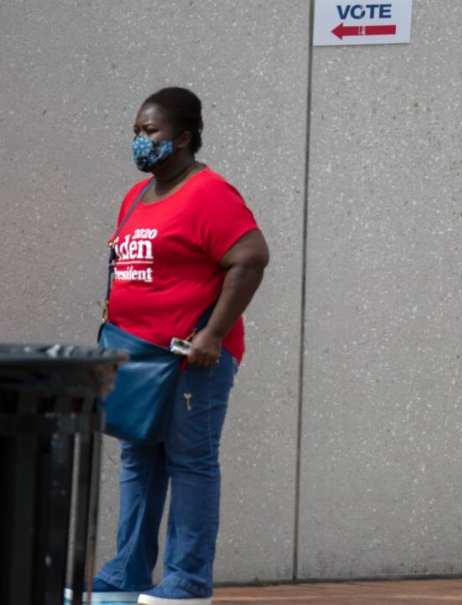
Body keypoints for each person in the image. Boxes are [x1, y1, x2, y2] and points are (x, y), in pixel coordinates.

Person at [88, 87, 269, 605]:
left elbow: (251, 257)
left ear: (184, 137)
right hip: (137, 357)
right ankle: (128, 574)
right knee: (138, 460)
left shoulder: (208, 192)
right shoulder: (136, 196)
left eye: (151, 132)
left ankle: (187, 582)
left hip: (192, 358)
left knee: (189, 461)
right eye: (136, 132)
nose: (140, 141)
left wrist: (212, 334)